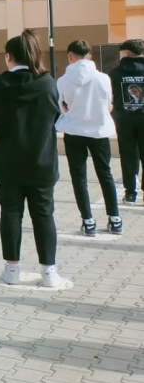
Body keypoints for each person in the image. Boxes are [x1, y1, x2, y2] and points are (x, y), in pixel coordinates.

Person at [0, 29, 67, 288]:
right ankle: (49, 273)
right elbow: (56, 116)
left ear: (9, 56)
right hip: (42, 160)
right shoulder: (48, 83)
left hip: (8, 161)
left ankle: (11, 269)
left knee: (10, 213)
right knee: (44, 214)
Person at [56, 40, 122, 236]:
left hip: (74, 130)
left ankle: (88, 221)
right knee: (106, 174)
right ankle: (115, 219)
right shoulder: (104, 79)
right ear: (90, 56)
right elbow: (108, 104)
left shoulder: (62, 81)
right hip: (99, 131)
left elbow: (62, 106)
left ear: (70, 56)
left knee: (79, 177)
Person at [109, 38, 144, 205]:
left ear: (127, 53)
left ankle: (130, 192)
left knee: (128, 155)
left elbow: (111, 95)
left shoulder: (116, 72)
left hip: (124, 120)